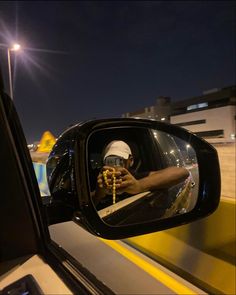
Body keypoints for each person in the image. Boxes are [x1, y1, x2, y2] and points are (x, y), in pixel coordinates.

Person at [94, 140, 189, 207]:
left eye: (119, 160)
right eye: (110, 161)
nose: (115, 166)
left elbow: (182, 172)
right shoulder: (102, 182)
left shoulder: (136, 178)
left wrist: (139, 186)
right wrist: (99, 193)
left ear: (130, 161)